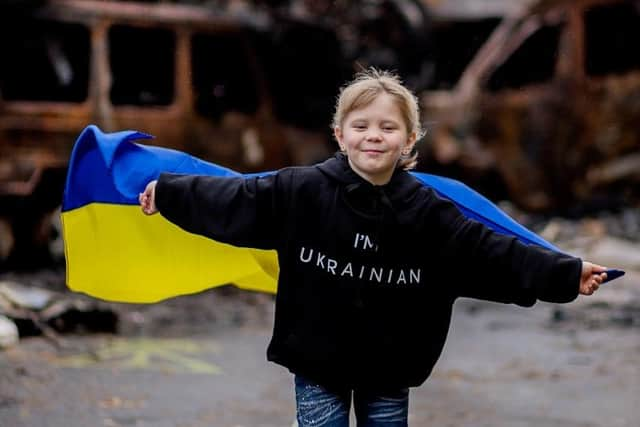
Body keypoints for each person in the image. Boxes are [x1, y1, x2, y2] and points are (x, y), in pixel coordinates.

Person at [138, 69, 607, 427]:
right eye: (360, 126)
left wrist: (566, 273)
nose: (374, 136)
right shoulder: (300, 191)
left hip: (390, 366)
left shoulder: (429, 213)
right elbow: (233, 198)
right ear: (339, 134)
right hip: (317, 361)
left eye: (387, 127)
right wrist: (170, 192)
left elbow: (491, 253)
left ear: (409, 139)